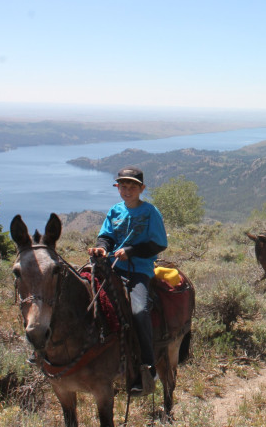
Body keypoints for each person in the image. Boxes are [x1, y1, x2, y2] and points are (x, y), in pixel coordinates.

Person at [87, 166, 167, 395]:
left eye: (132, 186)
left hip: (138, 270)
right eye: (123, 186)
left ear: (142, 189)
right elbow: (106, 237)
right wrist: (102, 249)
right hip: (113, 268)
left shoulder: (150, 212)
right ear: (117, 188)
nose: (127, 190)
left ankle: (149, 365)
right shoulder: (115, 211)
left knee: (139, 310)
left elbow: (158, 244)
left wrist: (131, 251)